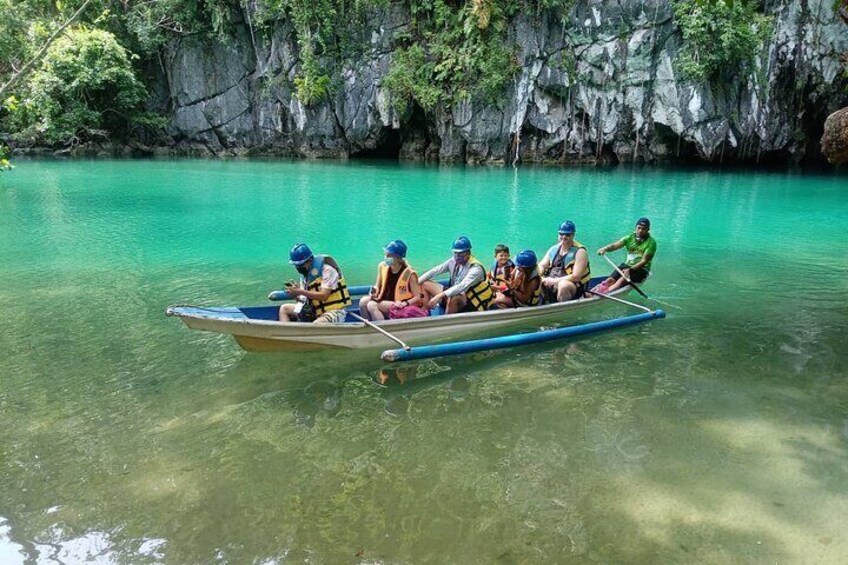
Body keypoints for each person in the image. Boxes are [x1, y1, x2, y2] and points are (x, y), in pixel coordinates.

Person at [419, 236, 494, 314]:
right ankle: (424, 314)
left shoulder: (476, 268)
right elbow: (435, 271)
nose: (457, 257)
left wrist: (439, 296)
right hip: (455, 293)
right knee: (425, 283)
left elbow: (462, 286)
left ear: (468, 253)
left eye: (461, 254)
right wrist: (416, 281)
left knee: (453, 297)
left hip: (470, 301)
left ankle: (446, 322)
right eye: (455, 253)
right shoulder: (453, 260)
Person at [278, 243, 351, 323]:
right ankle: (286, 333)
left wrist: (300, 291)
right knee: (284, 308)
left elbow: (324, 296)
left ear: (309, 260)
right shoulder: (306, 276)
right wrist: (295, 295)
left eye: (300, 265)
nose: (298, 268)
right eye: (296, 265)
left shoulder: (327, 270)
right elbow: (304, 302)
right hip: (314, 311)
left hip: (334, 312)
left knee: (316, 324)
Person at [358, 239, 426, 321]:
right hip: (384, 299)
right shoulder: (382, 266)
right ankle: (368, 326)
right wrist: (373, 291)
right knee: (362, 302)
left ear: (398, 258)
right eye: (386, 254)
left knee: (372, 305)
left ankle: (383, 327)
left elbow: (418, 296)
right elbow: (377, 285)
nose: (386, 257)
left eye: (389, 255)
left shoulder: (408, 273)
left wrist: (405, 303)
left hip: (400, 304)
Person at [593, 217, 657, 294]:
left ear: (648, 230)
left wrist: (630, 270)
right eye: (639, 228)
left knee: (621, 280)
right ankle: (592, 292)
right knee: (609, 280)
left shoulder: (651, 243)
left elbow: (644, 261)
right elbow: (614, 246)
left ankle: (604, 294)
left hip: (642, 269)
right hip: (627, 265)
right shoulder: (629, 237)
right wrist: (605, 249)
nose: (640, 231)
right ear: (635, 227)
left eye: (644, 229)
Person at [537, 220, 591, 302]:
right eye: (561, 234)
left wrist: (554, 281)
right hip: (551, 283)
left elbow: (576, 276)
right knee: (535, 279)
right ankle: (544, 302)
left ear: (573, 235)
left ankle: (562, 307)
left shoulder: (580, 252)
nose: (564, 237)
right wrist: (540, 276)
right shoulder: (554, 249)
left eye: (567, 234)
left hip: (572, 287)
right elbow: (542, 265)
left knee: (563, 285)